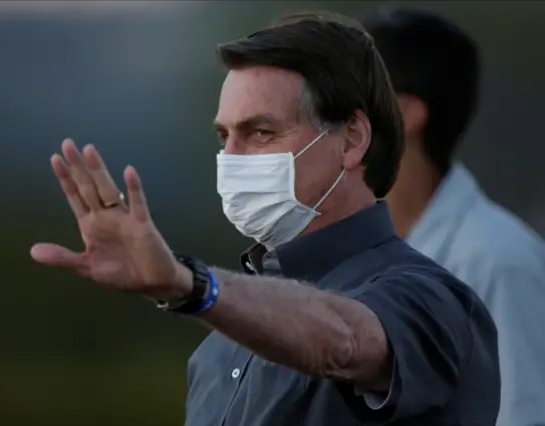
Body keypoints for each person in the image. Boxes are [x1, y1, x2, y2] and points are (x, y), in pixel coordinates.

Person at [30, 12, 500, 426]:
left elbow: (345, 340)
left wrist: (190, 286)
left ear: (353, 139)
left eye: (261, 131)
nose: (231, 158)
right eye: (223, 135)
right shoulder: (219, 348)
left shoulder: (430, 297)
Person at [358, 7, 545, 426]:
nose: (320, 112)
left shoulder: (498, 262)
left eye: (346, 93)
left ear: (406, 114)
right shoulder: (346, 252)